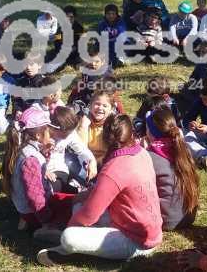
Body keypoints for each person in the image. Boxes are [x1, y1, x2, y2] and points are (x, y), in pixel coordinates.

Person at [37, 115, 163, 266]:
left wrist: (70, 226)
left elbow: (89, 215)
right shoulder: (142, 153)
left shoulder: (114, 169)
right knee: (79, 205)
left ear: (104, 137)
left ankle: (65, 247)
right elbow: (98, 194)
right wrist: (78, 200)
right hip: (147, 228)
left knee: (69, 236)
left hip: (137, 242)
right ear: (131, 133)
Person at [1, 107, 73, 233]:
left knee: (74, 199)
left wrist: (45, 153)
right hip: (36, 213)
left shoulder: (23, 148)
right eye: (48, 131)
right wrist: (47, 220)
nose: (51, 135)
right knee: (73, 210)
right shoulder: (30, 160)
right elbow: (35, 196)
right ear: (38, 135)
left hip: (30, 208)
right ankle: (42, 231)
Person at [145, 107, 199, 230]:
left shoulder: (150, 156)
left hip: (165, 220)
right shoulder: (183, 149)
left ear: (151, 131)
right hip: (188, 217)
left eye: (147, 127)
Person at [46, 106, 98, 193]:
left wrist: (92, 161)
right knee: (47, 189)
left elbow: (82, 149)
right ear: (54, 128)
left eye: (70, 133)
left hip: (58, 169)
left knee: (56, 186)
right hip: (43, 170)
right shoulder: (42, 134)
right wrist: (44, 170)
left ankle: (78, 188)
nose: (68, 136)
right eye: (65, 134)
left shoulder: (69, 133)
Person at [77, 91, 117, 164]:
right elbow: (81, 149)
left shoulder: (114, 124)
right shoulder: (84, 122)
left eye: (105, 106)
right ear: (90, 106)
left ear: (111, 109)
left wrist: (100, 161)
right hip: (87, 160)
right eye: (97, 104)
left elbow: (115, 150)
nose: (100, 108)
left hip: (107, 161)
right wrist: (83, 127)